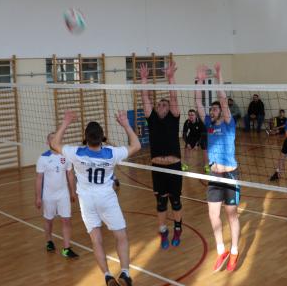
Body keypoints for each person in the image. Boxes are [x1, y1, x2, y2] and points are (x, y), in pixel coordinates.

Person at [50, 110, 141, 286]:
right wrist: (125, 124)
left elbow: (54, 144)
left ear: (85, 137)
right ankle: (125, 273)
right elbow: (136, 145)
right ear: (102, 137)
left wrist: (66, 122)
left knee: (96, 240)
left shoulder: (76, 152)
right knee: (121, 236)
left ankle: (107, 276)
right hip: (106, 198)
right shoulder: (112, 153)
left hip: (87, 201)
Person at [195, 63, 241, 272]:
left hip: (230, 176)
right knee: (213, 215)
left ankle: (234, 251)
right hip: (214, 176)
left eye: (215, 109)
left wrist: (219, 77)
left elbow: (223, 99)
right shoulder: (209, 125)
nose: (212, 111)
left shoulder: (228, 124)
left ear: (222, 112)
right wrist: (199, 81)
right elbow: (197, 102)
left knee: (231, 215)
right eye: (211, 109)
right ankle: (221, 250)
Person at [139, 61, 184, 250]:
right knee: (161, 203)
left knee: (175, 201)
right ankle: (163, 231)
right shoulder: (152, 119)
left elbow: (173, 97)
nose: (162, 105)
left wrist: (170, 77)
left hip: (174, 167)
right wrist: (143, 79)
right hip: (157, 168)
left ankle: (178, 229)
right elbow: (145, 99)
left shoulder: (174, 118)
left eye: (164, 104)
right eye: (159, 104)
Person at [36, 132, 78, 258]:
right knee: (49, 220)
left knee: (66, 220)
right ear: (47, 142)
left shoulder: (66, 156)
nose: (54, 141)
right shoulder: (43, 158)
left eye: (56, 138)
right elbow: (39, 179)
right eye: (52, 139)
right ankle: (49, 241)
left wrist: (73, 191)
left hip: (63, 194)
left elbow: (70, 174)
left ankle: (66, 248)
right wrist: (38, 197)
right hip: (48, 195)